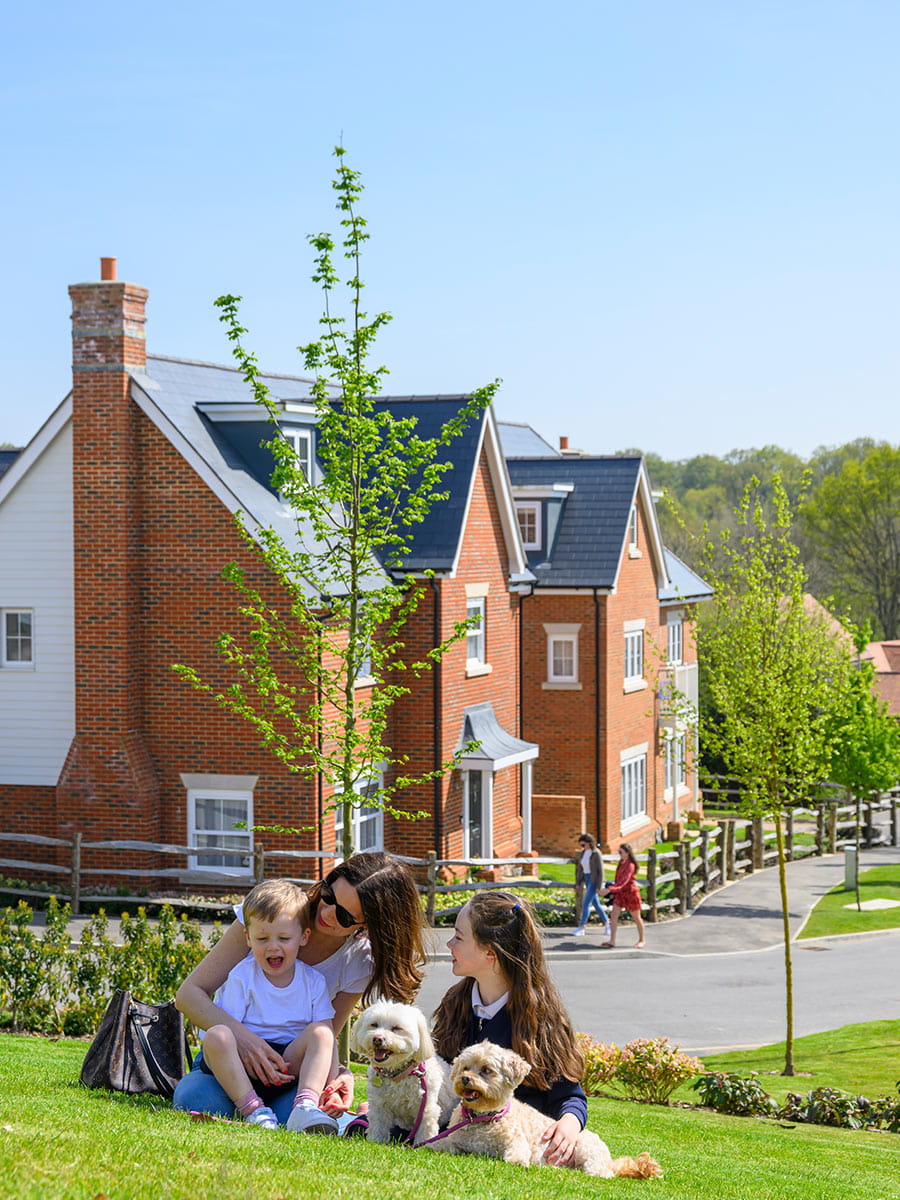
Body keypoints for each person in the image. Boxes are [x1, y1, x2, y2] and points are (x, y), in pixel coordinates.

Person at [173, 851, 425, 1123]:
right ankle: (252, 1107)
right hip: (230, 1059)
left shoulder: (358, 960)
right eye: (329, 895)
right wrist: (246, 1042)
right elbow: (188, 996)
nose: (325, 912)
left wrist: (340, 1074)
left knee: (295, 1114)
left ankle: (288, 1111)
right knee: (197, 1100)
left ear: (369, 926)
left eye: (344, 916)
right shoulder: (272, 909)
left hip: (287, 1069)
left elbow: (325, 1032)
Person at [431, 891, 588, 1167]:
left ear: (489, 952)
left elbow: (569, 1096)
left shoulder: (540, 1017)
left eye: (458, 937)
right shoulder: (456, 1003)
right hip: (458, 1133)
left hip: (518, 1144)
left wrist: (569, 1124)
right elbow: (438, 1077)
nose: (449, 944)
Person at [198, 878, 339, 1133]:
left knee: (321, 1032)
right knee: (217, 1034)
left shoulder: (314, 982)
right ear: (248, 938)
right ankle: (254, 1111)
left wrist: (333, 1084)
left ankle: (305, 1107)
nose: (273, 946)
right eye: (262, 938)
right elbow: (227, 1032)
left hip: (286, 1063)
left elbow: (327, 1037)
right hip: (241, 1062)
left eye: (284, 938)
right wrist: (248, 1052)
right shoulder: (242, 976)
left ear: (303, 937)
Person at [603, 843, 646, 949]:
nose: (619, 854)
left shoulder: (630, 865)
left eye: (620, 852)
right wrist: (611, 889)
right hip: (620, 893)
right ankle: (612, 940)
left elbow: (624, 882)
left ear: (627, 853)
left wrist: (609, 890)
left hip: (630, 894)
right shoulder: (621, 863)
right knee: (614, 915)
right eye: (618, 852)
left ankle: (642, 940)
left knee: (636, 917)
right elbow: (618, 881)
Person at [572, 833, 610, 938]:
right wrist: (578, 883)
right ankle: (607, 924)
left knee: (585, 904)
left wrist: (598, 886)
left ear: (589, 843)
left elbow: (600, 871)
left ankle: (581, 927)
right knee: (596, 905)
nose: (582, 847)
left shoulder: (596, 853)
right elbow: (581, 869)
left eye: (583, 845)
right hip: (587, 879)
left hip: (594, 881)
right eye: (581, 845)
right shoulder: (584, 853)